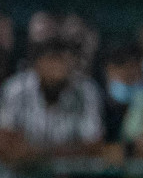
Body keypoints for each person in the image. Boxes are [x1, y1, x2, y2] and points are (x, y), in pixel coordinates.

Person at [0, 38, 105, 168]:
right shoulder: (16, 88)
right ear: (38, 64)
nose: (58, 69)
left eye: (63, 61)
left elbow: (94, 146)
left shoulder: (85, 91)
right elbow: (5, 144)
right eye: (52, 60)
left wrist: (39, 153)